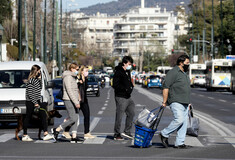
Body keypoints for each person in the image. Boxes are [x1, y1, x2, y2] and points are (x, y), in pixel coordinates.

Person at [159, 54, 191, 149]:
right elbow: (166, 87)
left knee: (184, 123)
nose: (188, 64)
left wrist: (189, 103)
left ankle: (179, 143)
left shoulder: (184, 73)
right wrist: (164, 101)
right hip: (175, 100)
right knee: (179, 119)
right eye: (187, 63)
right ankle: (164, 133)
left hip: (185, 102)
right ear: (181, 63)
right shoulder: (173, 72)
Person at [51, 63, 83, 143]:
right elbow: (69, 91)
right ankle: (57, 129)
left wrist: (78, 98)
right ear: (71, 69)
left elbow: (75, 89)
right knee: (73, 118)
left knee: (76, 117)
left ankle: (74, 136)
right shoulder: (68, 77)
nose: (77, 71)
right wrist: (76, 102)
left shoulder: (72, 77)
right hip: (69, 100)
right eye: (76, 69)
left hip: (74, 99)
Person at [22, 65, 54, 141]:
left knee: (43, 115)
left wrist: (40, 79)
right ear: (35, 71)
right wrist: (35, 102)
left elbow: (39, 88)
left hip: (37, 100)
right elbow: (30, 93)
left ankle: (46, 133)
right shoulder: (31, 80)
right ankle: (25, 135)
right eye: (39, 71)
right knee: (28, 117)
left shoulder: (36, 79)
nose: (40, 72)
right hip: (31, 102)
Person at [112, 56, 135, 140]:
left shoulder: (127, 71)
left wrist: (131, 86)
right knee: (120, 115)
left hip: (128, 97)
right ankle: (117, 134)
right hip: (121, 96)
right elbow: (115, 85)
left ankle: (127, 131)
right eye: (129, 64)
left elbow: (128, 82)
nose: (130, 66)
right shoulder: (118, 72)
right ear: (124, 63)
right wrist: (125, 89)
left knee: (131, 113)